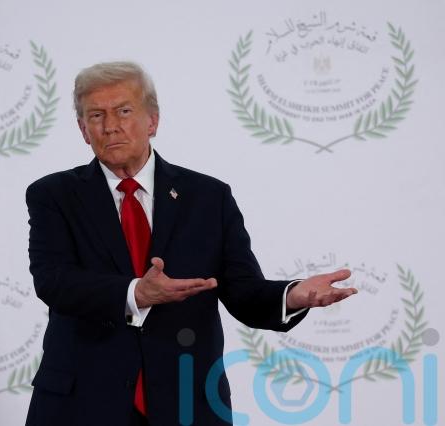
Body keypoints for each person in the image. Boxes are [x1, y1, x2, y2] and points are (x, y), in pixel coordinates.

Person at [24, 61, 357, 426]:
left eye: (124, 111)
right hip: (81, 405)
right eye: (96, 115)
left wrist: (292, 296)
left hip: (187, 404)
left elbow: (242, 291)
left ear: (152, 121)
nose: (111, 126)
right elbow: (54, 281)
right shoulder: (53, 195)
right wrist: (136, 293)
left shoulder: (209, 197)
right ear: (83, 130)